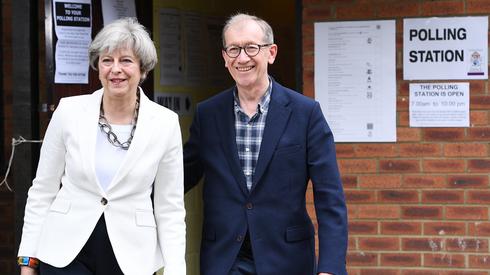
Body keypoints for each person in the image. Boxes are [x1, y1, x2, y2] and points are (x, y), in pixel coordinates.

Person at [17, 17, 186, 275]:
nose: (115, 69)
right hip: (65, 252)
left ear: (143, 69)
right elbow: (42, 190)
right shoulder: (69, 111)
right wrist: (27, 260)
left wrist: (176, 270)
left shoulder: (165, 123)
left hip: (131, 258)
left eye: (126, 60)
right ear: (98, 67)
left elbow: (169, 207)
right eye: (107, 60)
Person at [184, 13, 347, 275]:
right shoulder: (208, 114)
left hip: (287, 259)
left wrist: (330, 267)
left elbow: (330, 197)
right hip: (225, 260)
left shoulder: (306, 113)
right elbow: (180, 176)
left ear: (271, 53)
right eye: (234, 49)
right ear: (225, 58)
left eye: (251, 47)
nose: (242, 57)